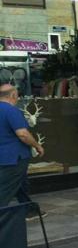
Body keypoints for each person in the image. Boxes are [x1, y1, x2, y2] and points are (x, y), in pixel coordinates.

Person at [0, 84, 44, 220]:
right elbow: (23, 134)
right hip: (14, 157)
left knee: (19, 183)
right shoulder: (12, 111)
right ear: (13, 95)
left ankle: (29, 209)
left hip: (4, 157)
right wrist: (37, 145)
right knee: (5, 190)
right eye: (17, 95)